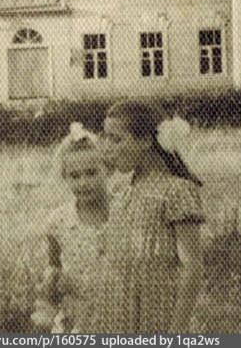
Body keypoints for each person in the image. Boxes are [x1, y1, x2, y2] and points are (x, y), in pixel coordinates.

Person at [95, 101, 204, 333]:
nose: (108, 148)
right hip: (121, 316)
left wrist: (177, 330)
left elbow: (192, 266)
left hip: (160, 318)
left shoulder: (176, 191)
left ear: (145, 140)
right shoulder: (122, 192)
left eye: (116, 139)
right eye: (105, 138)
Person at [31, 123, 110, 333]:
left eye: (91, 173)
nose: (84, 182)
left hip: (120, 315)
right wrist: (53, 282)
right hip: (77, 318)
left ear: (106, 169)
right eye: (75, 176)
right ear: (65, 177)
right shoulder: (59, 221)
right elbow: (54, 265)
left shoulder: (123, 211)